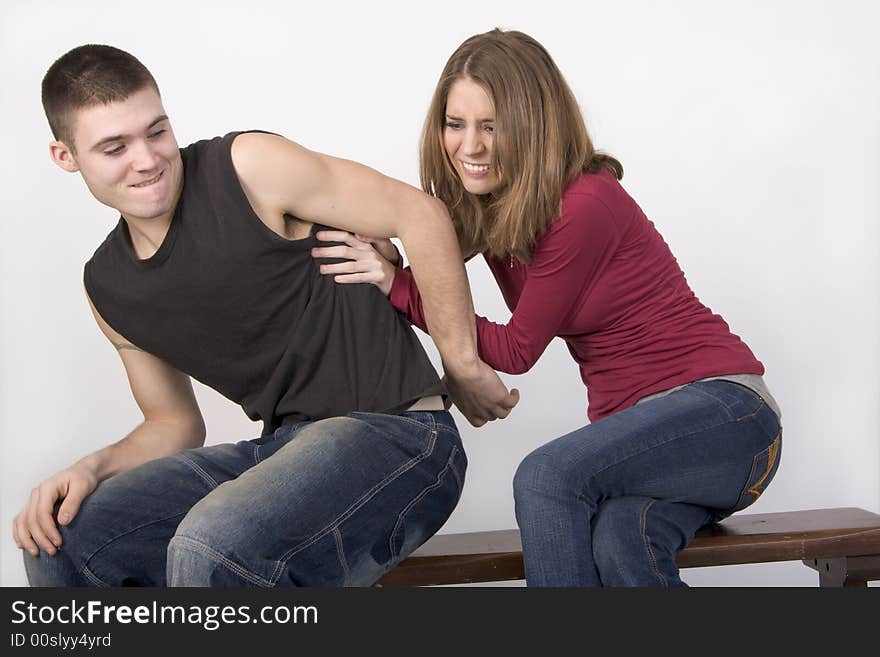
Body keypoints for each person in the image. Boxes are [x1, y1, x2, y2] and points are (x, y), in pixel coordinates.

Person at [12, 44, 519, 587]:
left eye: (156, 132)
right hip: (282, 450)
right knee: (64, 543)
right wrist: (91, 468)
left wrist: (461, 364)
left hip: (399, 434)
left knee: (213, 543)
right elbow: (174, 424)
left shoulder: (247, 167)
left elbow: (419, 213)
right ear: (65, 155)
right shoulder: (109, 288)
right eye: (115, 147)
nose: (147, 159)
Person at [311, 28, 783, 587]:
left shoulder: (582, 203)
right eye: (455, 124)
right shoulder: (493, 208)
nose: (471, 146)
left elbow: (516, 349)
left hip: (725, 417)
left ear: (533, 124)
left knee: (545, 477)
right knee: (621, 541)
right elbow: (425, 249)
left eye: (492, 126)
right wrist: (388, 250)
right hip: (649, 442)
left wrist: (395, 283)